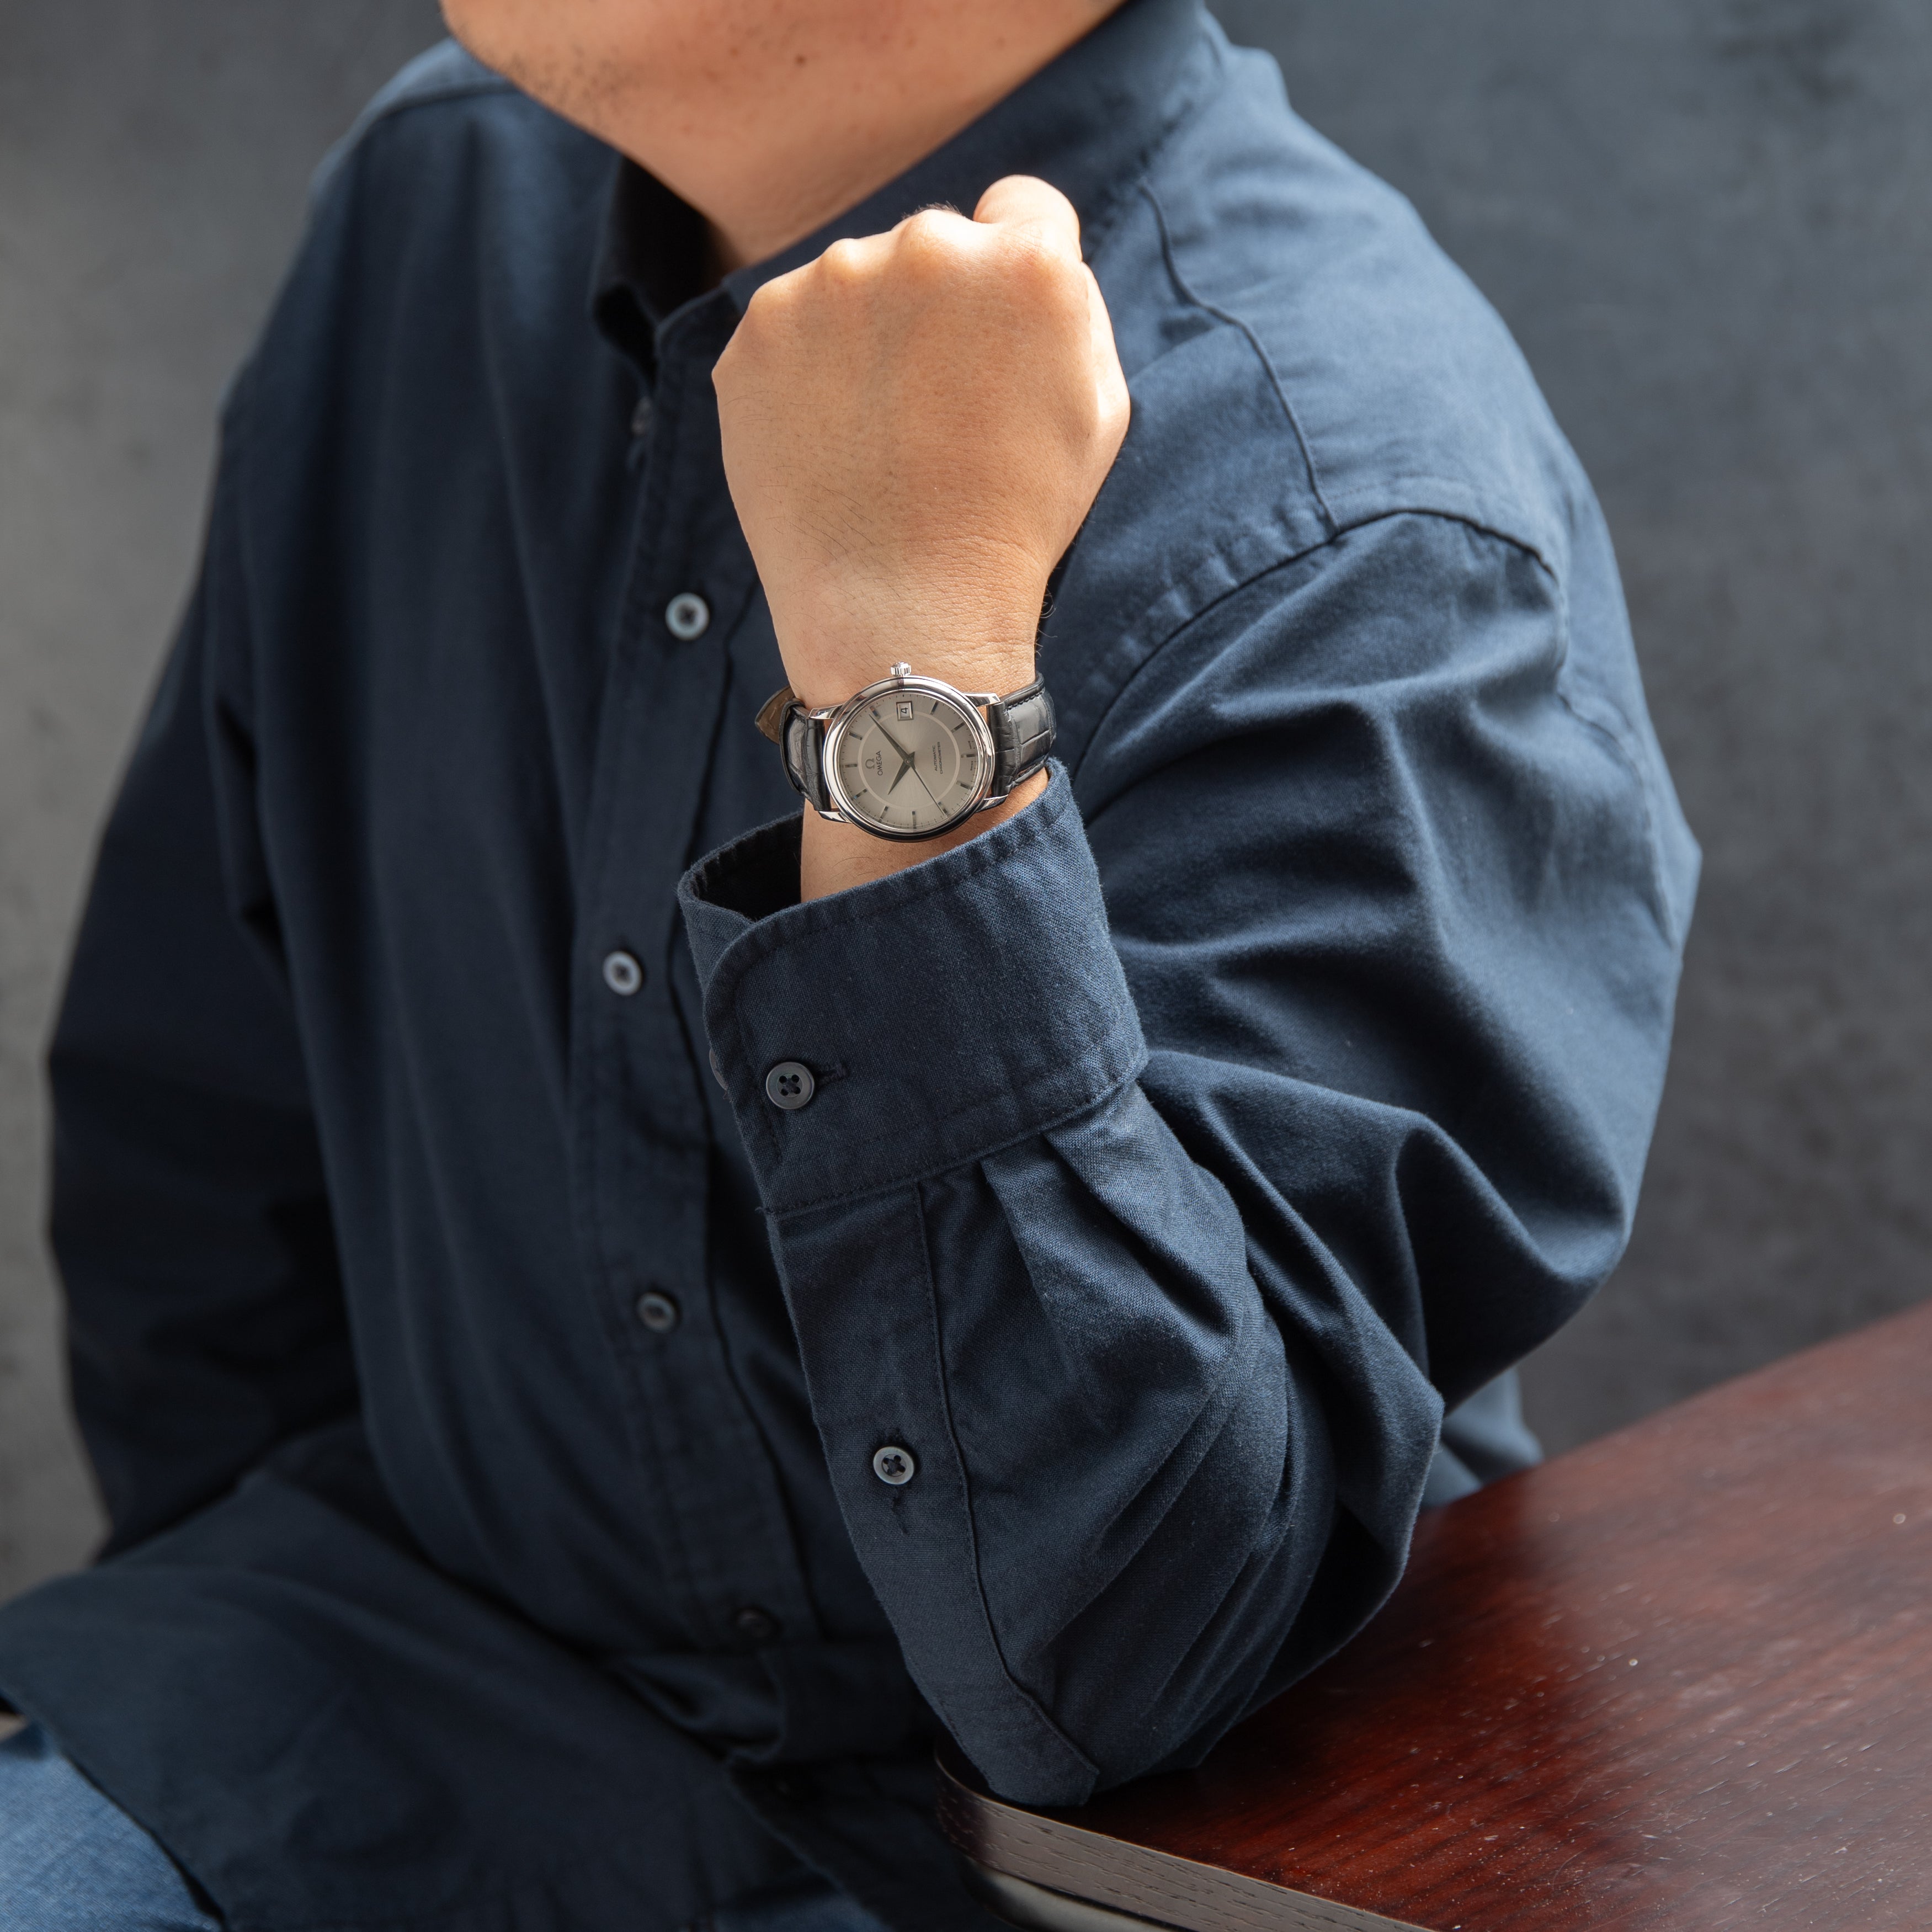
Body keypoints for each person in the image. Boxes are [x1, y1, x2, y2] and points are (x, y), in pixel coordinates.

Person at [0, 0, 1698, 1926]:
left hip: (1059, 1851)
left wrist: (913, 668)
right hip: (401, 1701)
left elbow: (1139, 1643)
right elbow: (203, 1137)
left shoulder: (1356, 505)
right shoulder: (433, 200)